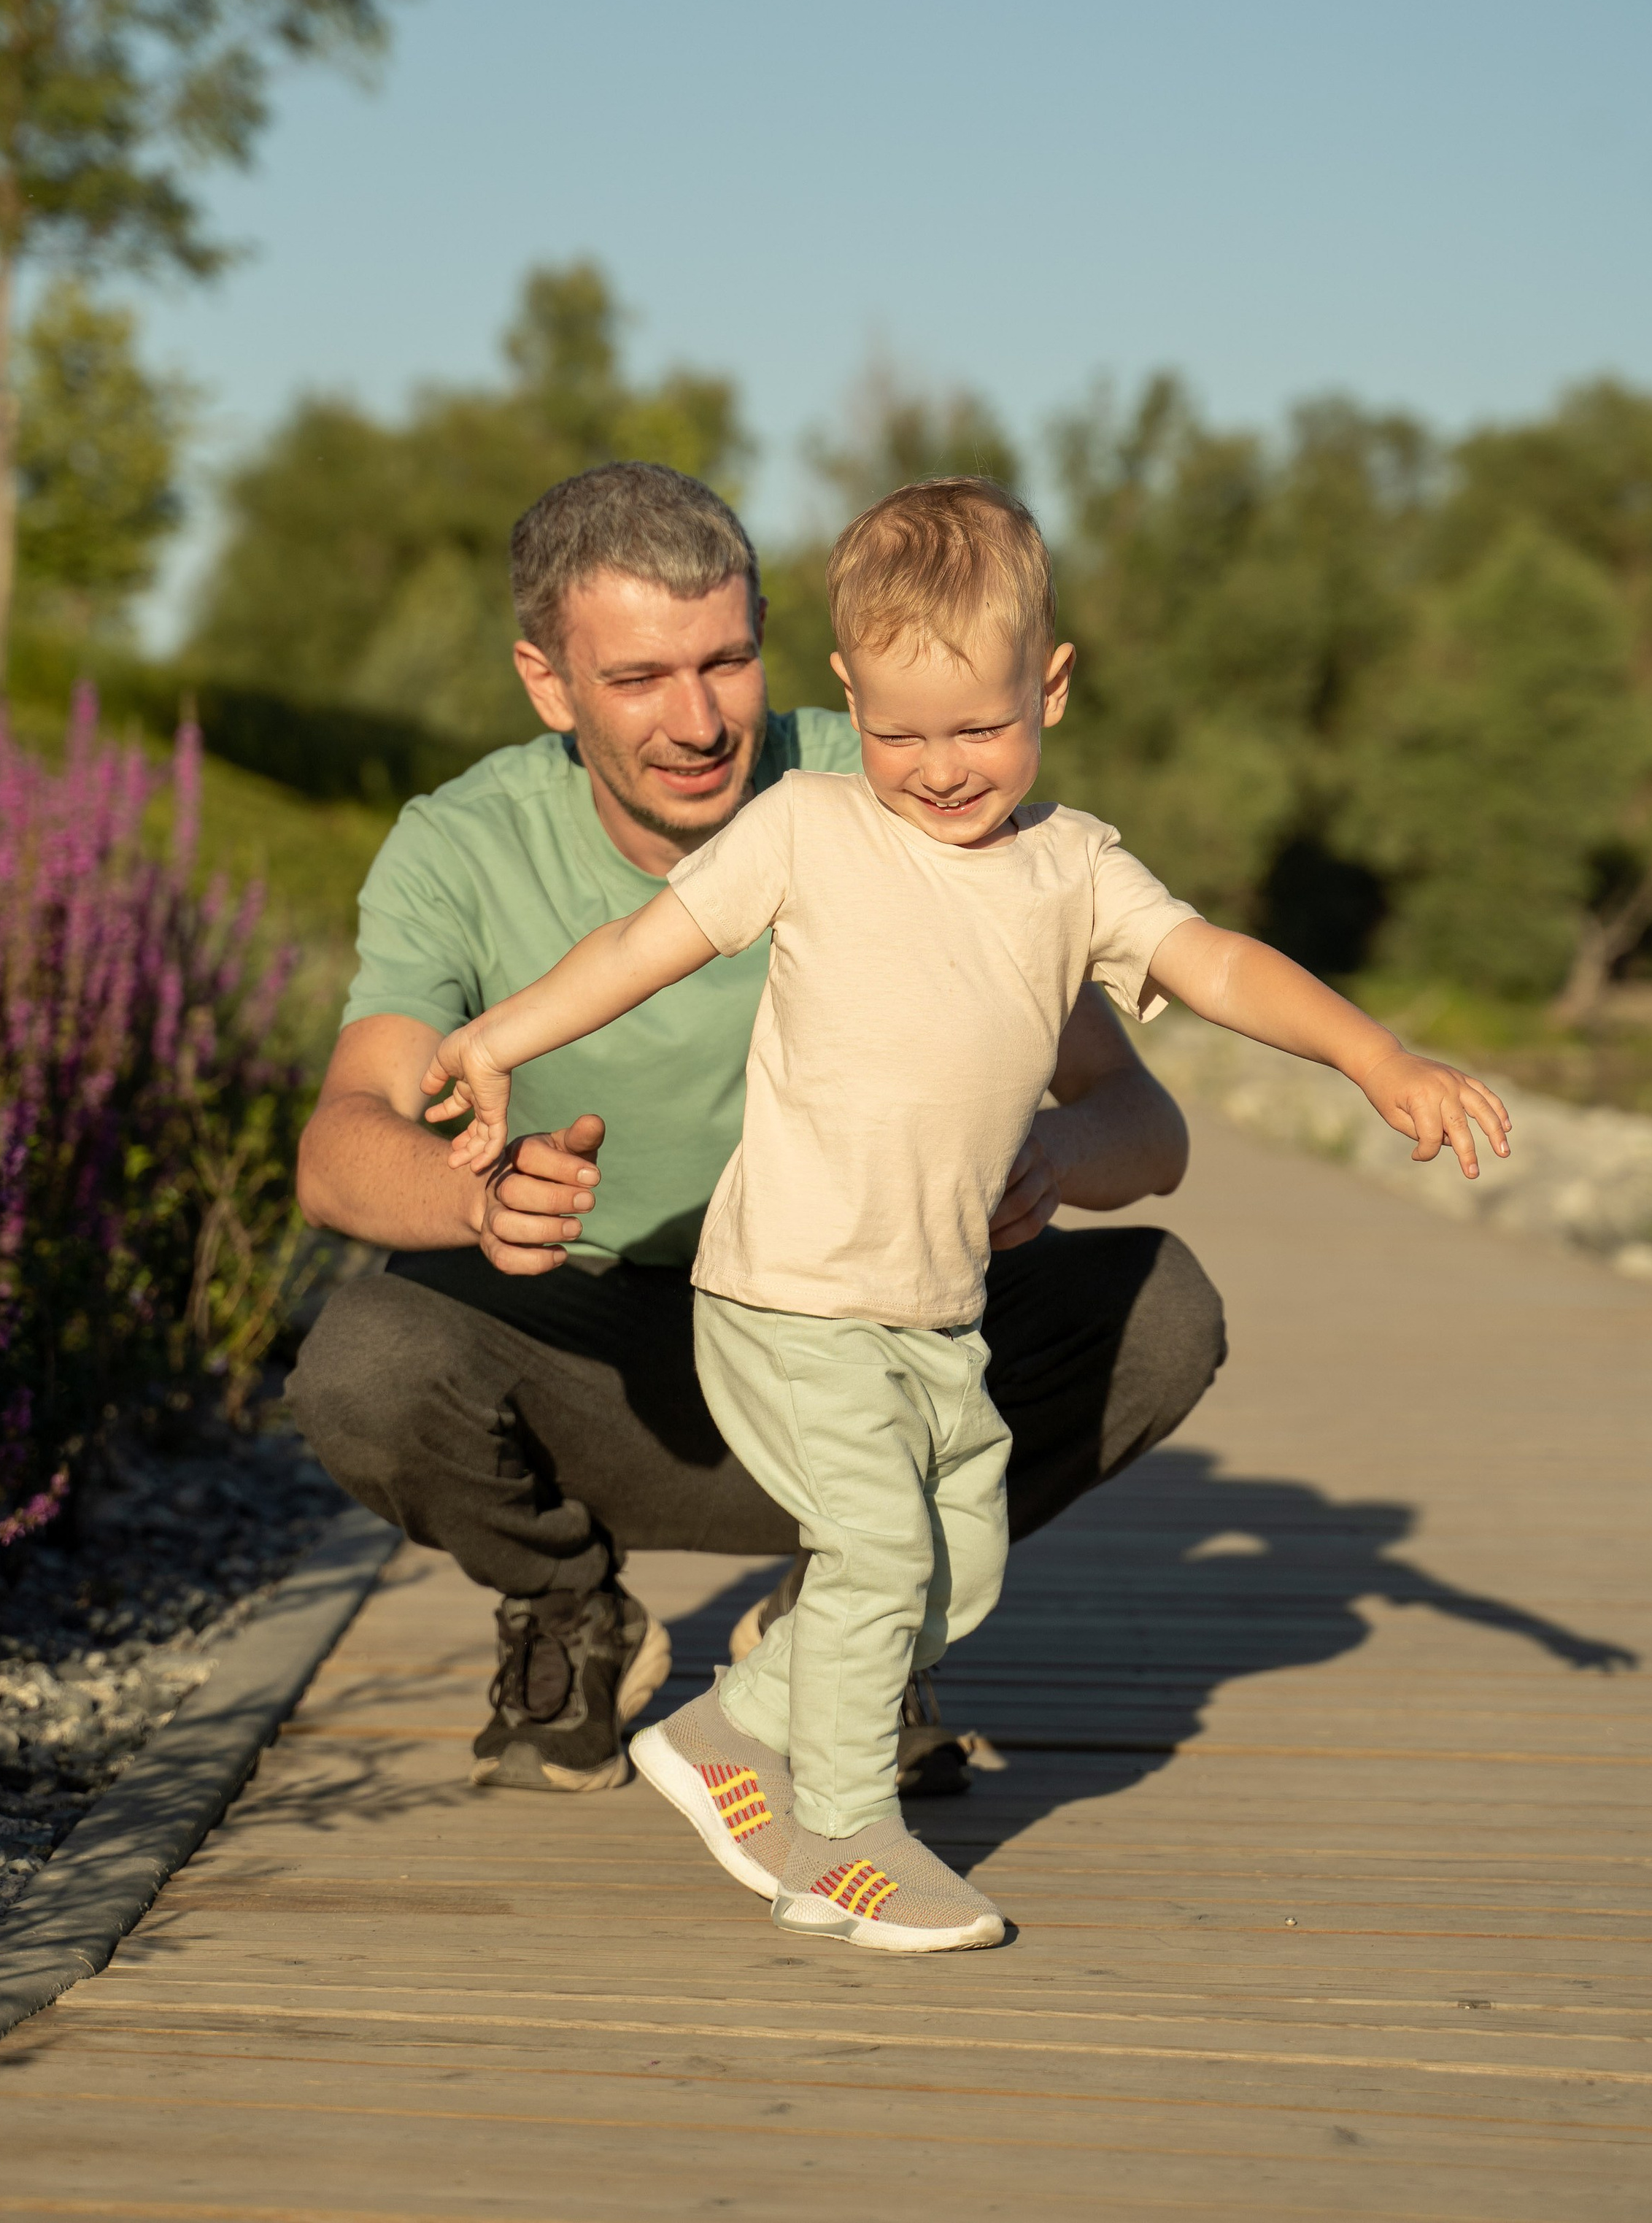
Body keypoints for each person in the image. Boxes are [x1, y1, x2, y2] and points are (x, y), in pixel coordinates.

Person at [418, 477, 1512, 1954]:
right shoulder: (803, 827)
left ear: (1047, 687)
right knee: (875, 1557)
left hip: (932, 1306)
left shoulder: (1072, 870)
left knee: (960, 1563)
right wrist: (495, 1042)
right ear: (845, 696)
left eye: (976, 730)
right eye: (896, 731)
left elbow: (1220, 963)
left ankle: (736, 1728)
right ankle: (846, 1841)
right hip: (786, 1292)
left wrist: (1375, 1055)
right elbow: (641, 945)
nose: (936, 771)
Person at [288, 461, 1226, 1797]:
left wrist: (1058, 1162)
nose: (700, 718)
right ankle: (571, 1608)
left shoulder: (906, 773)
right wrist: (478, 1200)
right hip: (606, 1362)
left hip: (875, 1344)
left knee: (1162, 1306)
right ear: (548, 682)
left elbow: (1142, 1119)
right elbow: (339, 1147)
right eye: (639, 678)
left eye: (729, 660)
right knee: (364, 1356)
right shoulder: (459, 844)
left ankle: (846, 1628)